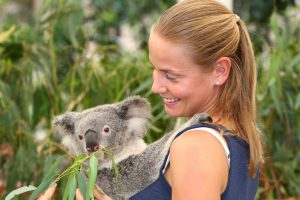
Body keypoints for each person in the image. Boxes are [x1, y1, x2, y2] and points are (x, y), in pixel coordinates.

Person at [40, 0, 264, 199]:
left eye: (171, 75)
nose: (156, 86)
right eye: (154, 69)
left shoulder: (194, 145)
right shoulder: (238, 137)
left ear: (219, 71)